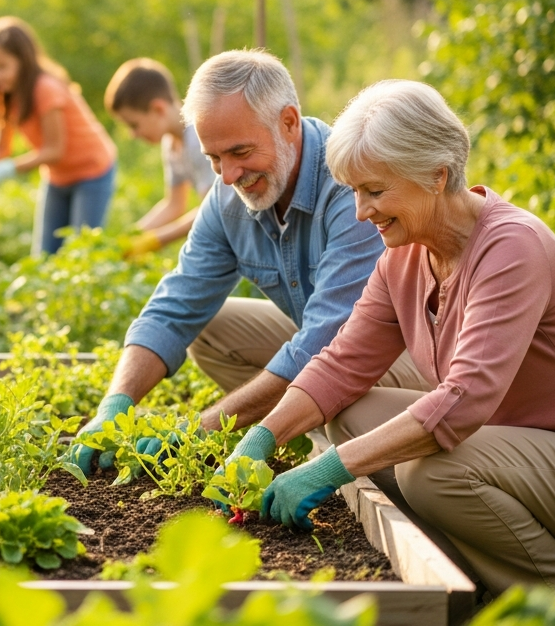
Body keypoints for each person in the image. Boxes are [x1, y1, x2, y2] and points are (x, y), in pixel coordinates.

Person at [226, 79, 555, 623]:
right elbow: (342, 364)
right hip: (515, 444)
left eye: (374, 190)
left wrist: (327, 469)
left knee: (432, 473)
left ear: (436, 176)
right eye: (352, 191)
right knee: (350, 413)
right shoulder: (405, 256)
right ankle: (458, 571)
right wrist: (264, 434)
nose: (359, 211)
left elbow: (463, 402)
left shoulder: (512, 248)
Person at [69, 50, 429, 472]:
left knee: (343, 409)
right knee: (213, 328)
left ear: (289, 123)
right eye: (213, 158)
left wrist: (203, 429)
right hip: (326, 344)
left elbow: (327, 343)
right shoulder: (227, 199)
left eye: (240, 152)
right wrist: (116, 403)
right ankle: (293, 419)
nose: (227, 176)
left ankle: (314, 425)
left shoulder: (350, 186)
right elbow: (175, 307)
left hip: (409, 353)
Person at [0, 16, 117, 255]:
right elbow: (0, 148)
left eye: (1, 66)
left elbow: (54, 150)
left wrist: (7, 170)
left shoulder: (45, 89)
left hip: (92, 172)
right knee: (44, 254)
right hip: (58, 177)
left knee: (82, 253)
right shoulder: (5, 95)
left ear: (23, 61)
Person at [105, 58, 215, 256]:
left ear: (158, 109)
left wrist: (155, 240)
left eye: (134, 124)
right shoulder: (171, 143)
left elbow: (212, 210)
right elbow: (174, 204)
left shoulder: (199, 138)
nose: (133, 134)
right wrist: (130, 237)